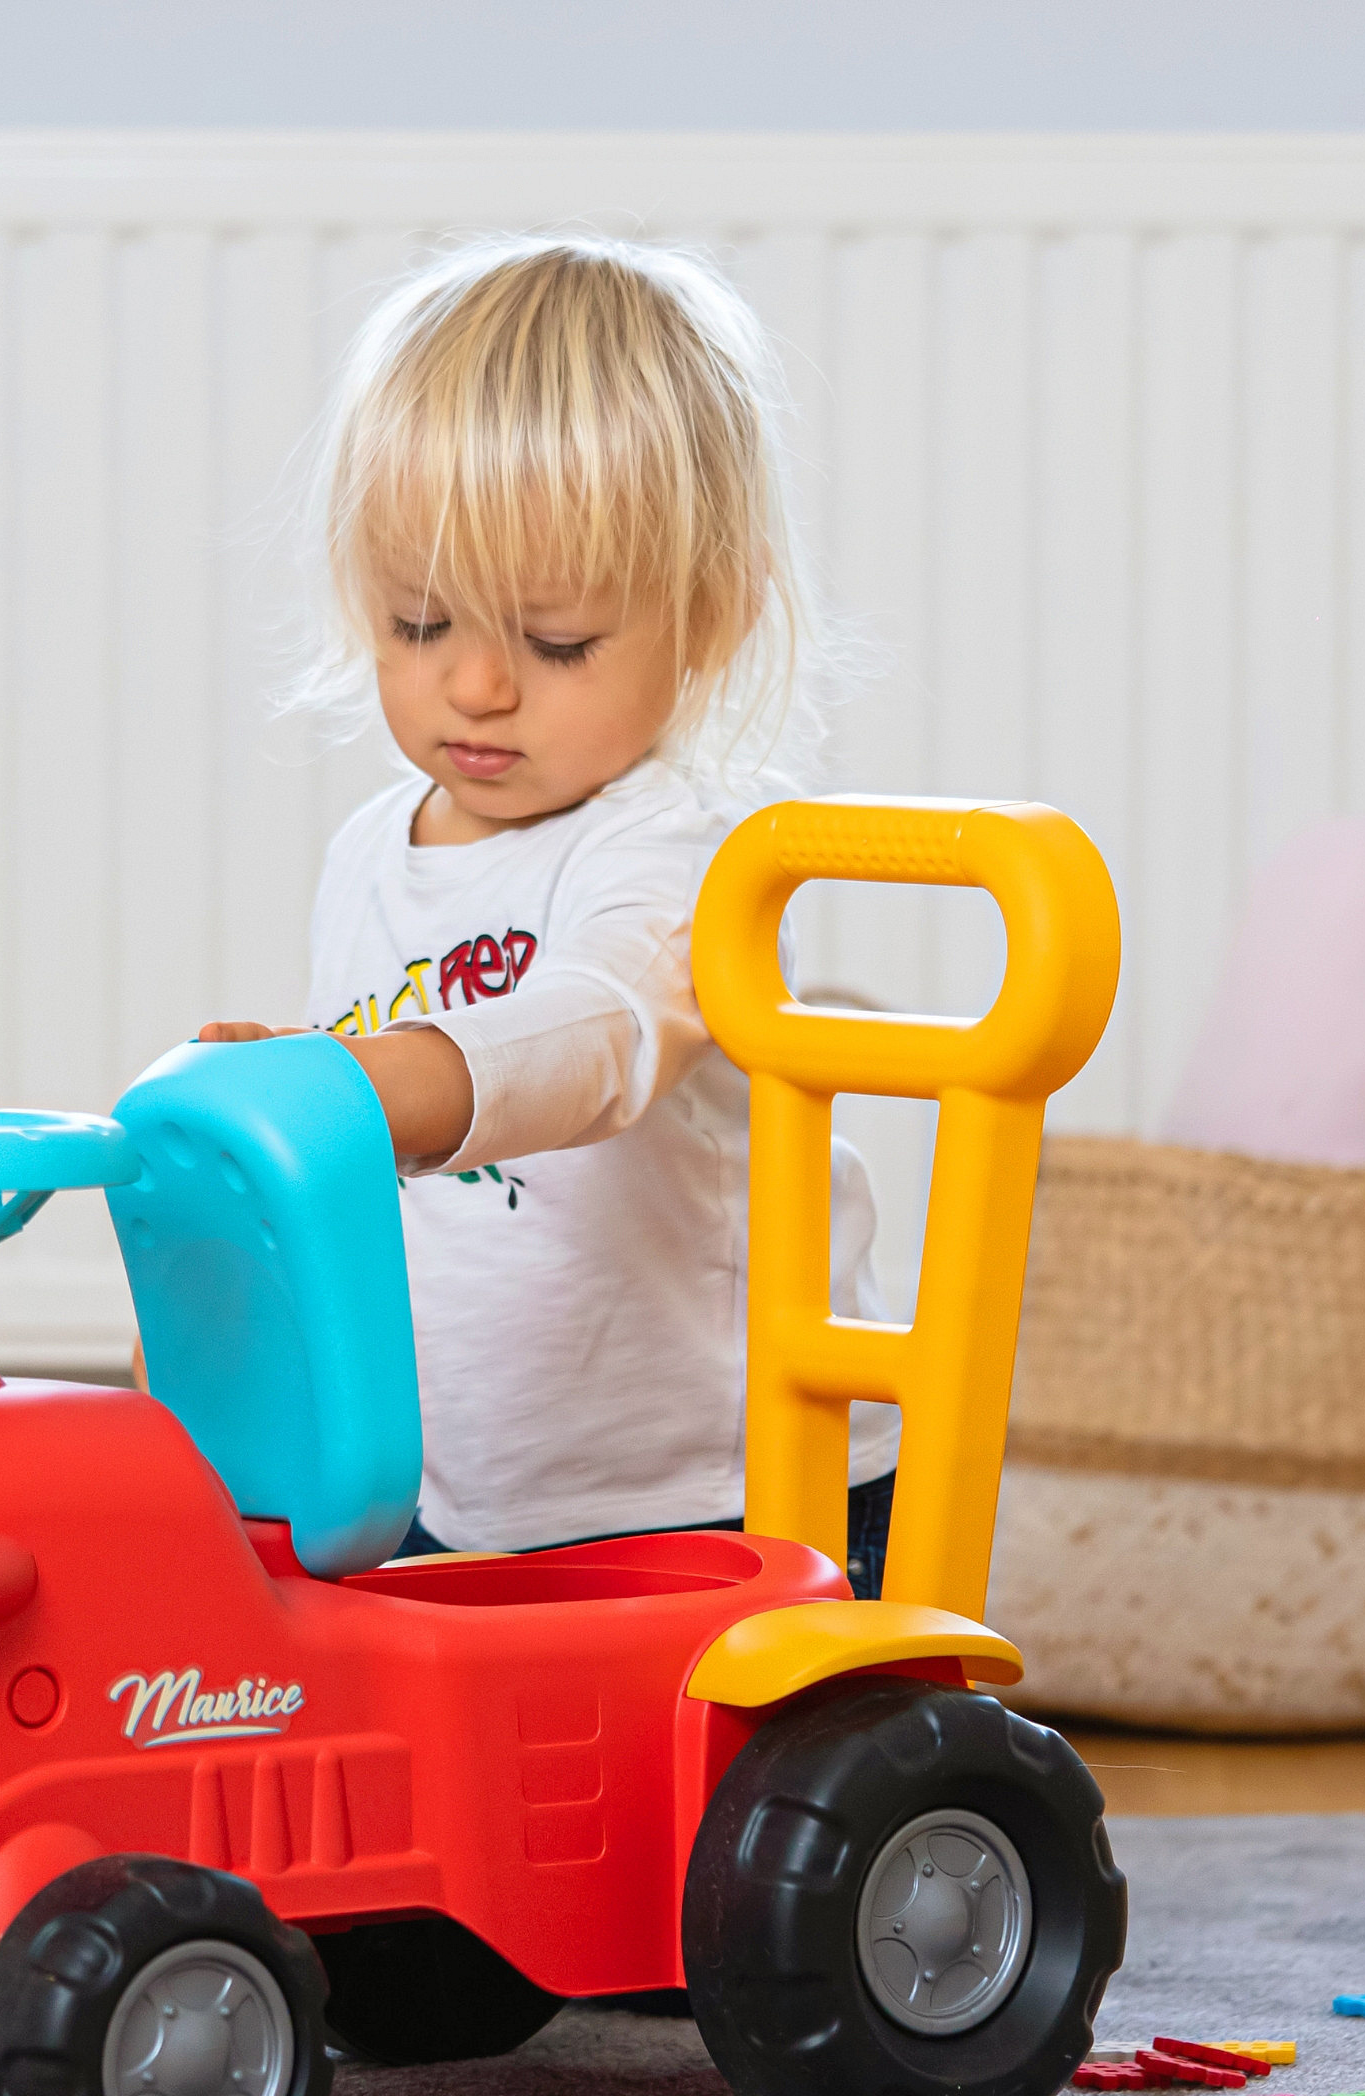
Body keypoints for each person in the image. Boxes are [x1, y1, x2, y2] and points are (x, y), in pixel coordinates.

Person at [193, 235, 897, 1590]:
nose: (476, 688)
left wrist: (357, 1085)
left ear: (711, 617)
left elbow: (594, 1039)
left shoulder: (685, 852)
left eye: (557, 642)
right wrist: (289, 1105)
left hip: (718, 1495)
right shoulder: (369, 852)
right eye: (419, 625)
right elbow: (388, 1146)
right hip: (466, 1486)